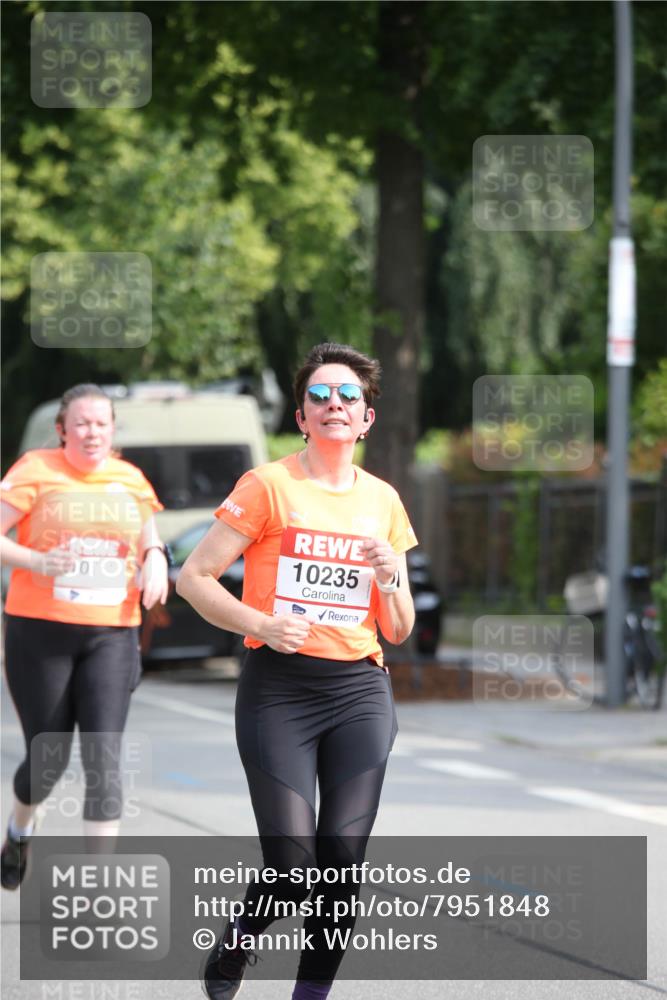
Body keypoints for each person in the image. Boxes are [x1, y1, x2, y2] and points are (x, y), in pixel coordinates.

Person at [176, 343, 417, 1000]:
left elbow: (398, 629)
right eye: (319, 395)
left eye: (348, 396)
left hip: (359, 691)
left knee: (341, 863)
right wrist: (260, 624)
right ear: (301, 416)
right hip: (279, 690)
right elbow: (194, 579)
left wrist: (389, 576)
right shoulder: (268, 486)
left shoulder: (384, 501)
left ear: (366, 419)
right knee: (292, 864)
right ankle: (239, 940)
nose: (334, 404)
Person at [1, 384, 169, 888]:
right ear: (62, 430)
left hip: (112, 633)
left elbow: (151, 540)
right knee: (47, 759)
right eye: (81, 423)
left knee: (103, 757)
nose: (92, 432)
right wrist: (38, 561)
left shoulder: (130, 479)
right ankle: (20, 830)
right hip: (40, 633)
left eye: (101, 424)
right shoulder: (35, 469)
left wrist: (156, 561)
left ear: (112, 430)